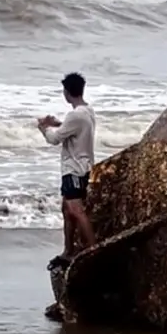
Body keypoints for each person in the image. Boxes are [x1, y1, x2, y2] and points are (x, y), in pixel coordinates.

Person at [37, 72, 97, 270]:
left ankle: (92, 251)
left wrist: (44, 128)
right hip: (84, 165)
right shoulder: (87, 111)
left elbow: (54, 140)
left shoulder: (75, 115)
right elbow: (73, 128)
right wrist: (58, 124)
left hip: (74, 168)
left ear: (66, 92)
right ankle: (68, 251)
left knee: (75, 210)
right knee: (66, 209)